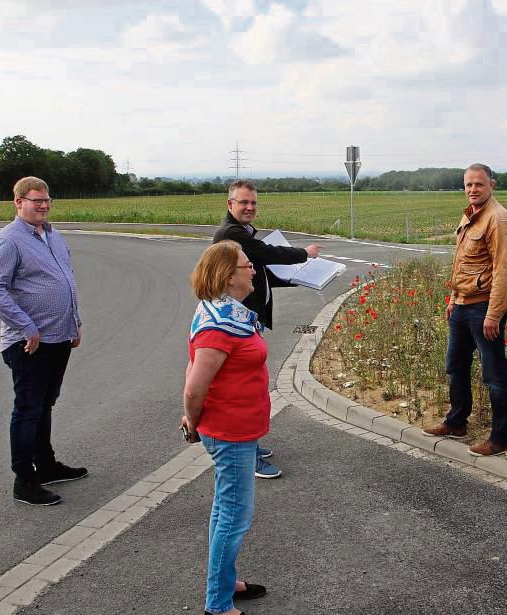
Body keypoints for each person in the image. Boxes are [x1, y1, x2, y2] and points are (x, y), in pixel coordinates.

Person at [0, 176, 87, 506]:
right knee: (27, 409)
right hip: (29, 342)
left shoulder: (53, 235)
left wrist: (74, 323)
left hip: (58, 336)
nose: (42, 205)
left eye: (46, 200)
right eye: (35, 200)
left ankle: (47, 464)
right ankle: (24, 480)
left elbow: (66, 280)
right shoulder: (9, 241)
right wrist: (26, 326)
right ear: (19, 203)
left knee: (45, 403)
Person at [182, 240, 270, 615]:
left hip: (238, 426)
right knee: (234, 516)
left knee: (225, 509)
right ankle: (218, 605)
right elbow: (195, 383)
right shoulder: (219, 325)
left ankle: (223, 581)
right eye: (247, 265)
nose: (253, 271)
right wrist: (193, 421)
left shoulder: (228, 311)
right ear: (228, 275)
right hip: (230, 431)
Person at [213, 179, 321, 478]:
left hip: (247, 318)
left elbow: (258, 270)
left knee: (250, 386)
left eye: (253, 203)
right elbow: (267, 254)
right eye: (243, 202)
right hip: (238, 321)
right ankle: (245, 455)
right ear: (230, 204)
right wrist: (305, 255)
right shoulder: (232, 234)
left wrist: (295, 278)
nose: (249, 207)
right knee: (243, 389)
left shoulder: (241, 232)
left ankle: (248, 445)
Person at [423, 163, 507, 457]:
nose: (473, 189)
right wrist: (452, 299)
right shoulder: (471, 216)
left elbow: (504, 270)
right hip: (463, 306)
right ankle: (456, 422)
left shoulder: (497, 219)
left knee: (494, 374)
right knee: (456, 366)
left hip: (484, 307)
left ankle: (502, 437)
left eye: (478, 184)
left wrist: (494, 313)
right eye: (468, 185)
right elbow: (460, 264)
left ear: (492, 184)